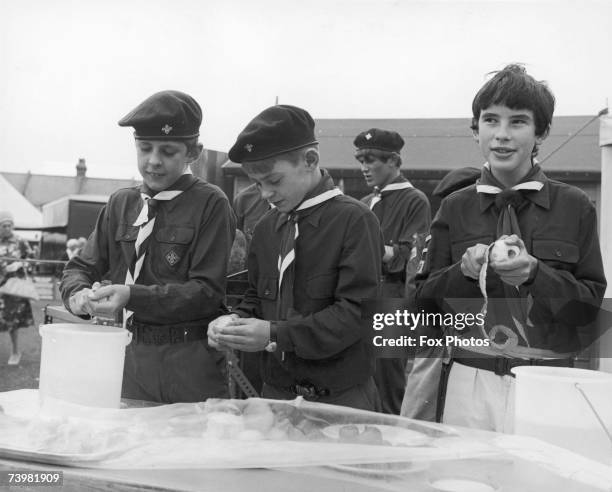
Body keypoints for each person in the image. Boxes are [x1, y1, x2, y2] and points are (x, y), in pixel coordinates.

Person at [416, 64, 606, 431]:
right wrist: (464, 274)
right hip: (468, 382)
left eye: (517, 122)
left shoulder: (575, 206)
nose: (501, 135)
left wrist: (537, 274)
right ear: (476, 130)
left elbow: (588, 314)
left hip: (549, 386)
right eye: (490, 120)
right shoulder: (454, 207)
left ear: (542, 132)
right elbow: (423, 310)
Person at [60, 90, 236, 403]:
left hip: (188, 364)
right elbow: (81, 266)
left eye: (168, 151)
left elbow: (207, 292)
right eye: (145, 149)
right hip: (126, 358)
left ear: (193, 152)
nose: (153, 161)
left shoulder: (211, 204)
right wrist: (78, 295)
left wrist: (132, 296)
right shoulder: (121, 203)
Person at [208, 104, 383, 411]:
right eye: (257, 184)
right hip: (275, 392)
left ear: (310, 160)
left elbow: (357, 314)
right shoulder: (266, 227)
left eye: (274, 181)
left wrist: (275, 334)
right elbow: (256, 295)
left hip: (339, 398)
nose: (266, 195)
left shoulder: (355, 220)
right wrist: (235, 322)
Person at [354, 128, 431, 415]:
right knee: (359, 381)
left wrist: (370, 247)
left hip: (392, 298)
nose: (363, 167)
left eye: (371, 160)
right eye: (360, 159)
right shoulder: (364, 203)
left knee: (387, 384)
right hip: (360, 296)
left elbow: (409, 257)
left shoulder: (414, 200)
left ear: (393, 161)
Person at [400, 167, 480, 421]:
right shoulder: (441, 232)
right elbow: (419, 288)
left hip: (461, 340)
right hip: (437, 334)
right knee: (419, 422)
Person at [0, 211, 34, 366]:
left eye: (9, 225)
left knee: (12, 321)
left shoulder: (20, 241)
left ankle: (15, 352)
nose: (7, 228)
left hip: (14, 287)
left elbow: (32, 259)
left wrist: (20, 264)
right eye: (3, 225)